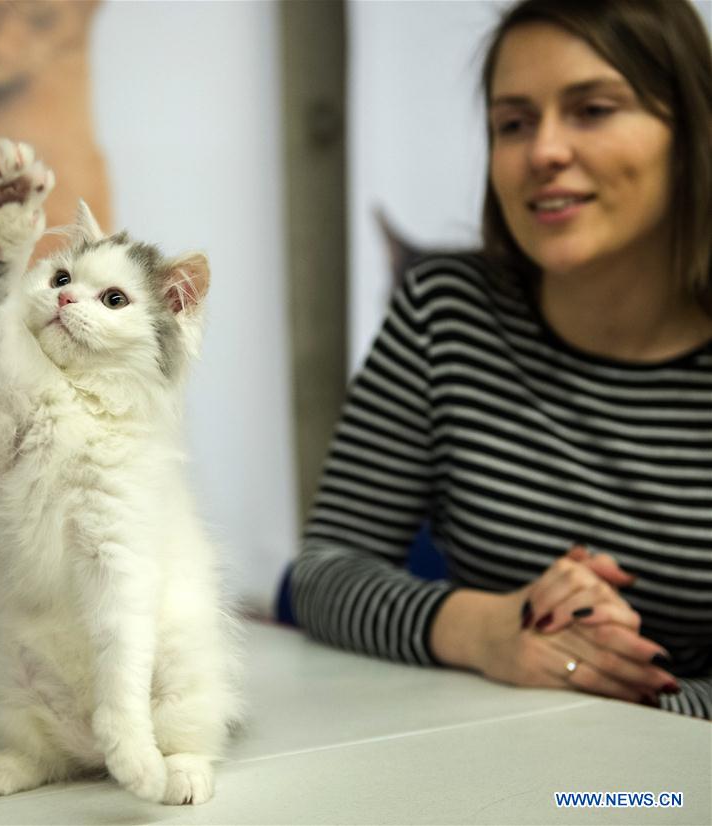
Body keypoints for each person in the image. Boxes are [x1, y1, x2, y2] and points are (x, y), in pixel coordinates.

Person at [290, 0, 712, 719]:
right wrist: (494, 628)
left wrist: (629, 700)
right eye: (513, 123)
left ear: (689, 134)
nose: (544, 151)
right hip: (498, 762)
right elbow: (324, 573)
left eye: (593, 109)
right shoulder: (446, 310)